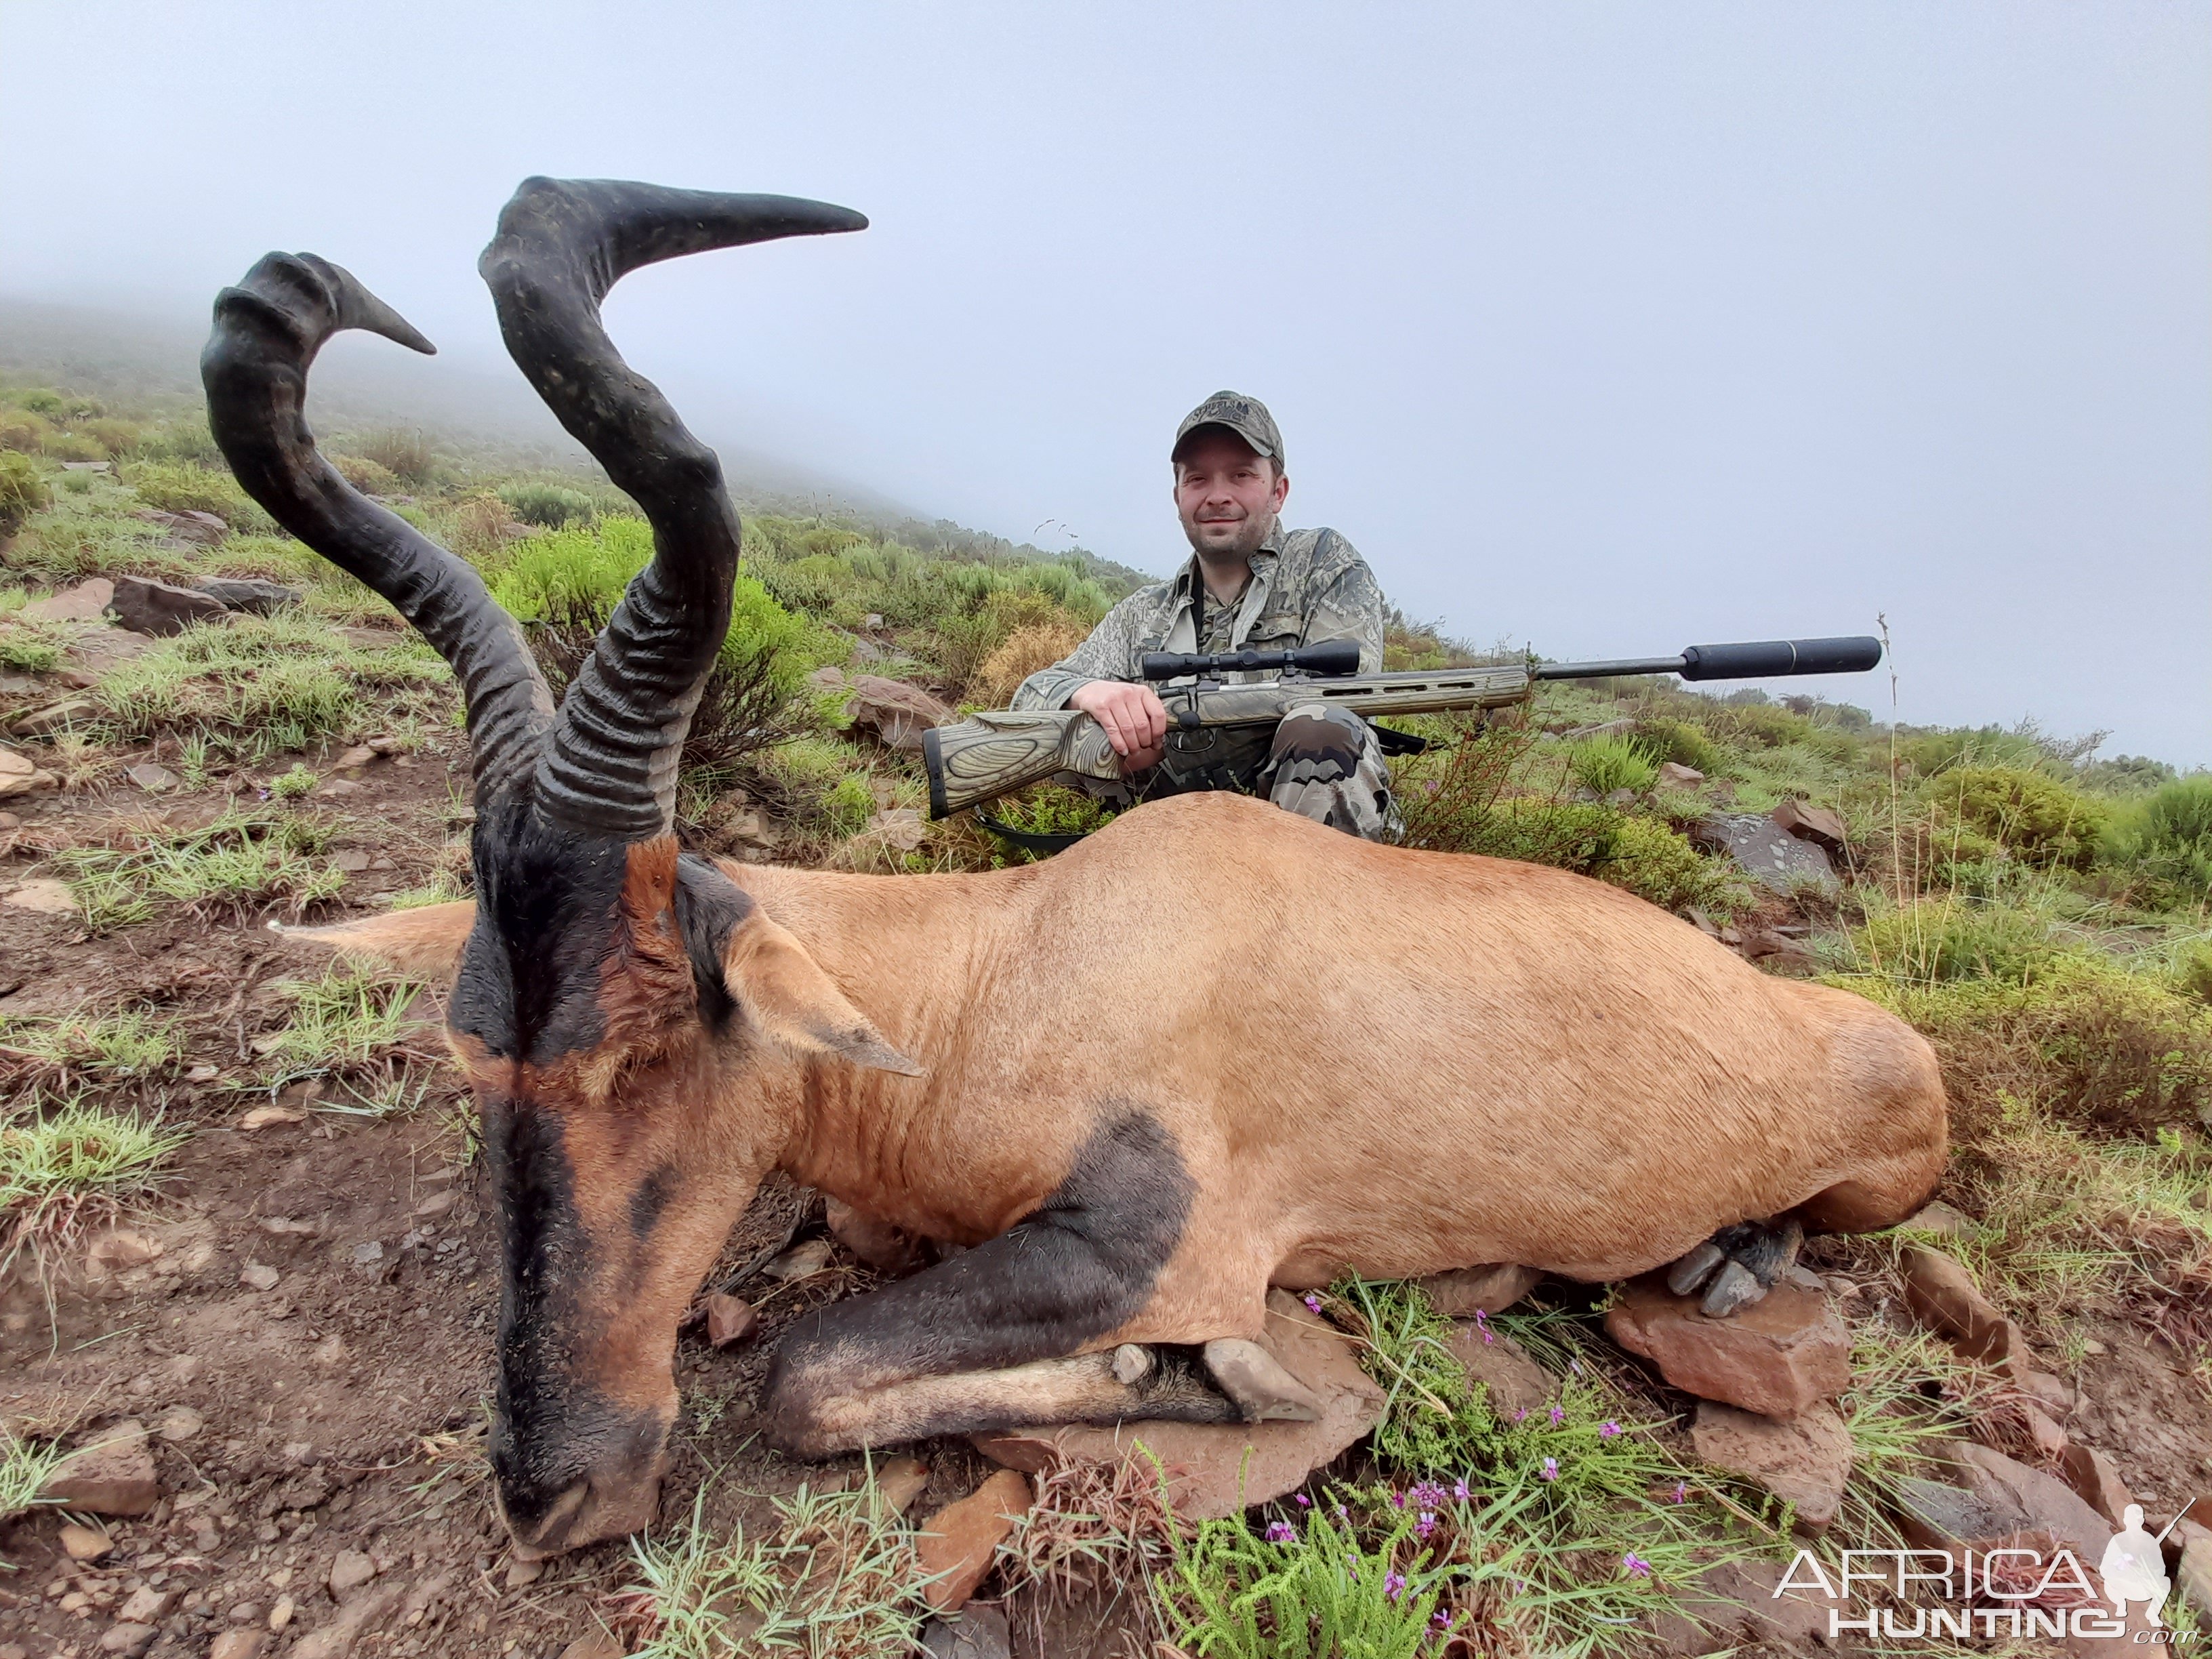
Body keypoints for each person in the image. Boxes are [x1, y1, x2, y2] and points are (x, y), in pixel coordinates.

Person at [1012, 391, 1398, 839]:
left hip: (1295, 829)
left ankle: (1315, 905)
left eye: (1241, 475)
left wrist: (1182, 727)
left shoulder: (1323, 565)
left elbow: (1348, 693)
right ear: (1177, 495)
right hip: (1173, 832)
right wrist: (1093, 697)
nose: (1217, 496)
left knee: (1321, 731)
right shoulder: (1142, 614)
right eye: (1197, 479)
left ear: (1278, 491)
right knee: (1081, 741)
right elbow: (1030, 698)